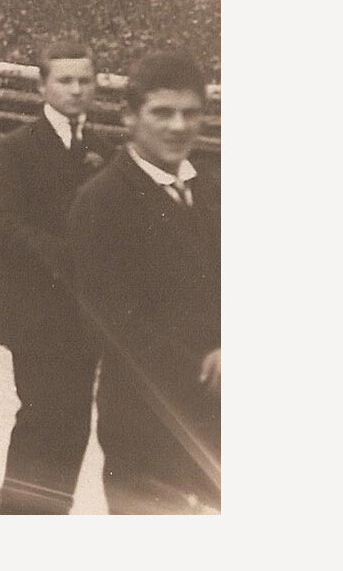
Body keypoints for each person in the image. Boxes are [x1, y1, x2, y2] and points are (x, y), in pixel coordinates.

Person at [68, 51, 219, 514]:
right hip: (147, 422)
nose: (179, 126)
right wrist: (211, 363)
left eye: (190, 112)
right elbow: (112, 322)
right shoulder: (103, 200)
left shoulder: (214, 189)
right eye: (162, 112)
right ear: (129, 117)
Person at [0, 38, 107, 514]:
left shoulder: (102, 149)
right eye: (65, 80)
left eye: (85, 81)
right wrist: (69, 256)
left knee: (74, 424)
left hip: (83, 316)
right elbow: (0, 226)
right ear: (42, 86)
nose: (76, 90)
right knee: (40, 418)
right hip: (32, 310)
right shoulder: (16, 149)